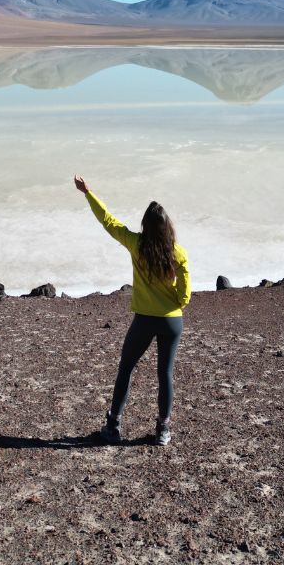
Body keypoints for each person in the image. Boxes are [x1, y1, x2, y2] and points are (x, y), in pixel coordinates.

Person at [73, 175, 191, 446]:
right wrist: (174, 303)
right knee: (165, 374)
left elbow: (109, 221)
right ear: (167, 228)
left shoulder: (136, 245)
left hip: (145, 320)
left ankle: (113, 426)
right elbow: (185, 293)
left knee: (126, 367)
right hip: (172, 321)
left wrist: (88, 192)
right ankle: (163, 430)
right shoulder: (178, 253)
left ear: (145, 226)